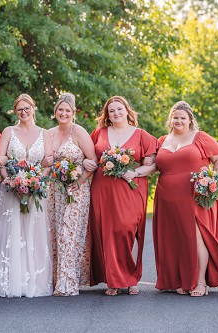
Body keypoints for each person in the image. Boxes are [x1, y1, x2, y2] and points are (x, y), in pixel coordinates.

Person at [152, 101, 218, 297]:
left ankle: (200, 282)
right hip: (166, 198)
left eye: (182, 118)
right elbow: (154, 166)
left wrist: (212, 181)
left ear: (190, 120)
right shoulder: (162, 141)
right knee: (176, 239)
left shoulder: (201, 138)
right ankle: (183, 281)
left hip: (195, 196)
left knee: (197, 237)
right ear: (170, 119)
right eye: (175, 117)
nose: (178, 121)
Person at [84, 96, 157, 296]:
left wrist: (135, 172)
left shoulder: (142, 135)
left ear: (127, 110)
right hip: (103, 189)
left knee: (128, 229)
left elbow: (152, 165)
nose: (116, 113)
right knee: (106, 231)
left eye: (119, 109)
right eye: (111, 111)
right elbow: (88, 157)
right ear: (107, 115)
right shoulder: (99, 133)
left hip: (131, 189)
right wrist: (85, 164)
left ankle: (131, 276)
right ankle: (113, 279)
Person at [0, 93, 53, 297]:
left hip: (36, 190)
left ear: (34, 108)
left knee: (33, 233)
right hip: (10, 189)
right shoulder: (8, 131)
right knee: (11, 233)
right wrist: (9, 180)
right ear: (15, 112)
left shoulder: (44, 133)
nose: (24, 112)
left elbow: (48, 162)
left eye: (27, 108)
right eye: (19, 109)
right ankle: (10, 281)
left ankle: (33, 281)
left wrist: (37, 180)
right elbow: (1, 159)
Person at [47, 92, 97, 296]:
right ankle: (56, 280)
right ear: (55, 112)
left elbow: (92, 162)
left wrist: (79, 180)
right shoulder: (49, 133)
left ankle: (68, 283)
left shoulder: (79, 132)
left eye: (67, 110)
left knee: (70, 234)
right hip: (54, 191)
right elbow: (45, 160)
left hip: (76, 190)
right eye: (60, 110)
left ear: (73, 113)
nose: (63, 113)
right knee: (56, 234)